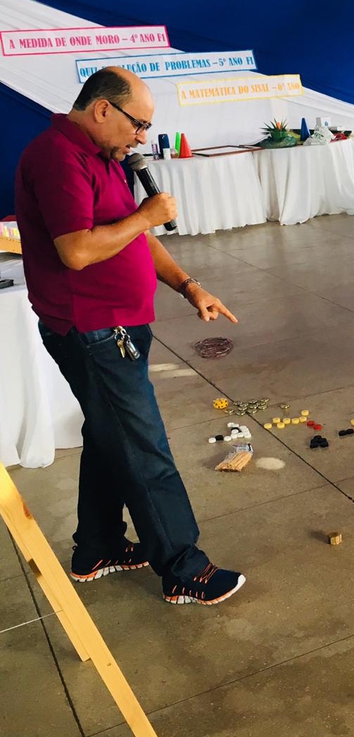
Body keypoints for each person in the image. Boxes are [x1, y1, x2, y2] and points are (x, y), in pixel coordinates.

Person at [14, 67, 245, 605]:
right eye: (138, 124)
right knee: (143, 447)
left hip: (118, 325)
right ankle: (184, 568)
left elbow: (134, 238)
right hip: (93, 329)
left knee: (108, 433)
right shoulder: (58, 157)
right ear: (102, 109)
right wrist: (145, 216)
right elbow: (77, 251)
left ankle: (97, 546)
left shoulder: (102, 156)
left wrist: (189, 287)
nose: (141, 137)